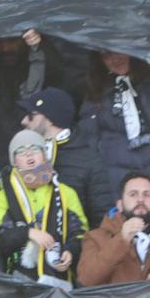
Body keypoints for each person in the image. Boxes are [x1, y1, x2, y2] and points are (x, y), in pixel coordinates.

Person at [73, 52, 150, 197]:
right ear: (99, 61)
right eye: (106, 56)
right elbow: (89, 141)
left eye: (120, 52)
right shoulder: (97, 91)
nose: (115, 59)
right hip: (120, 181)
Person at [0, 132, 87, 286]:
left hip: (59, 280)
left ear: (44, 155)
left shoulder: (66, 193)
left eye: (35, 148)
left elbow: (80, 234)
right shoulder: (0, 199)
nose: (28, 154)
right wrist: (28, 233)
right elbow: (1, 240)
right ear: (14, 161)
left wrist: (70, 252)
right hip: (18, 283)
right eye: (20, 151)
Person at [17, 87, 109, 222]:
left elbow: (102, 220)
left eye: (31, 115)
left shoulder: (90, 162)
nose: (23, 121)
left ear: (50, 119)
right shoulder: (23, 155)